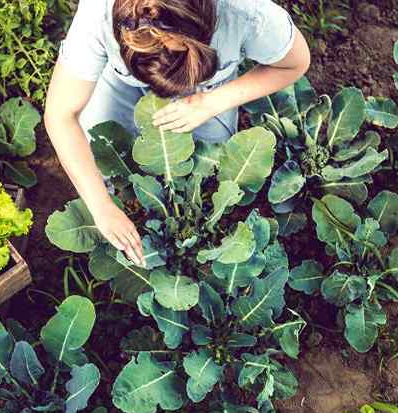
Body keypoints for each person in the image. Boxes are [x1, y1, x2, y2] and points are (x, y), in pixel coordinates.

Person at [44, 0, 311, 266]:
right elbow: (60, 115)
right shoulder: (98, 11)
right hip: (119, 82)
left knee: (209, 172)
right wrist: (101, 206)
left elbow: (295, 63)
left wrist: (213, 102)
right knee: (100, 158)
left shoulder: (247, 12)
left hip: (207, 91)